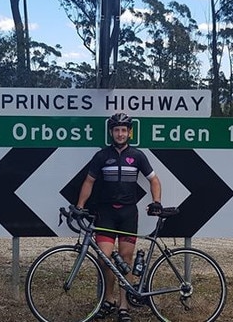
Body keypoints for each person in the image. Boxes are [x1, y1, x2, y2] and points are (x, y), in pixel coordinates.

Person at [77, 112, 162, 322]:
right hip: (105, 214)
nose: (120, 134)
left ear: (129, 132)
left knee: (126, 259)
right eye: (116, 130)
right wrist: (79, 206)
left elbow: (154, 180)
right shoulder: (101, 156)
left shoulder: (138, 156)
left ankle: (124, 306)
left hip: (128, 214)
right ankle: (109, 299)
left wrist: (157, 202)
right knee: (104, 259)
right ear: (111, 132)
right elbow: (89, 181)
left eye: (124, 130)